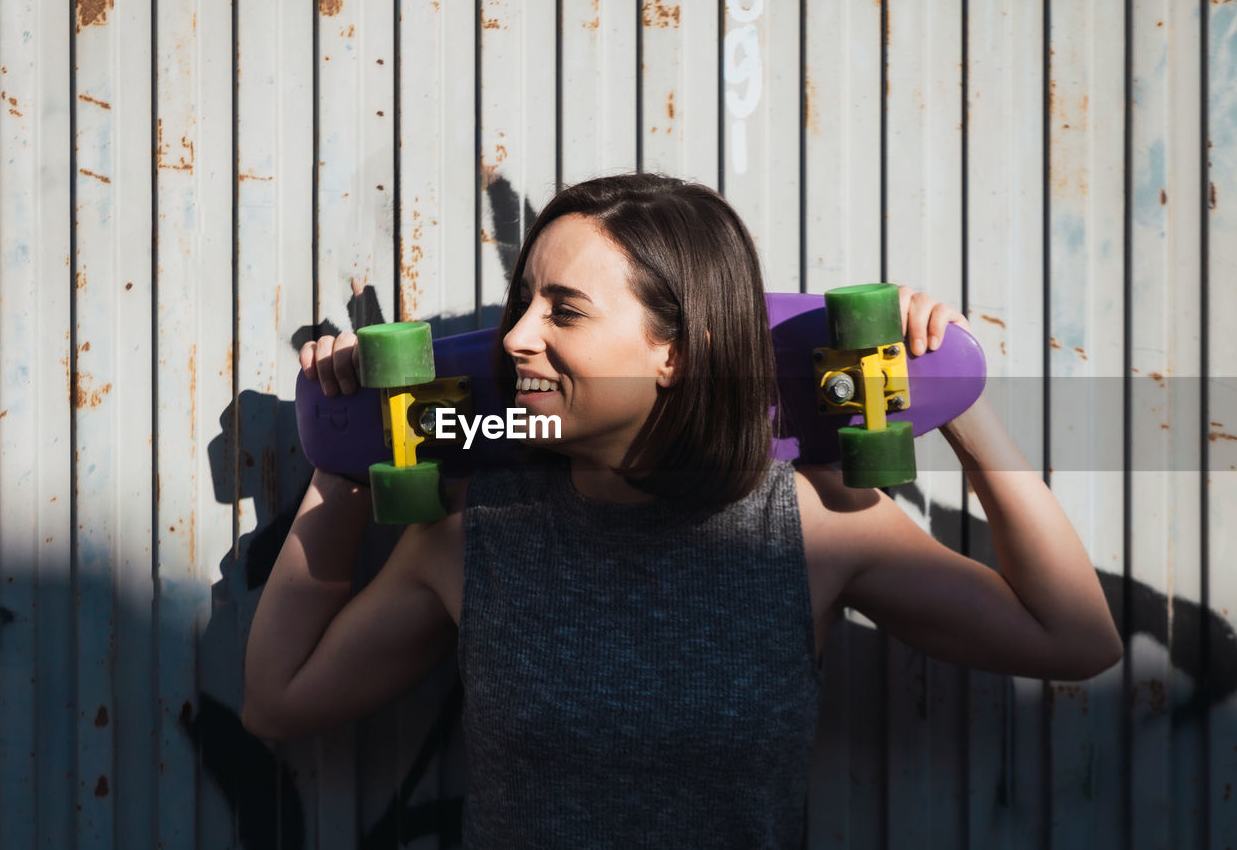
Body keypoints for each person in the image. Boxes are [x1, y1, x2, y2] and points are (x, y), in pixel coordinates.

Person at [242, 173, 1122, 847]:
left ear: (677, 352)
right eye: (523, 304)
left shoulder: (807, 523)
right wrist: (344, 450)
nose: (516, 337)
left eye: (565, 311)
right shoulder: (477, 528)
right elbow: (279, 700)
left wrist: (955, 389)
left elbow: (1074, 638)